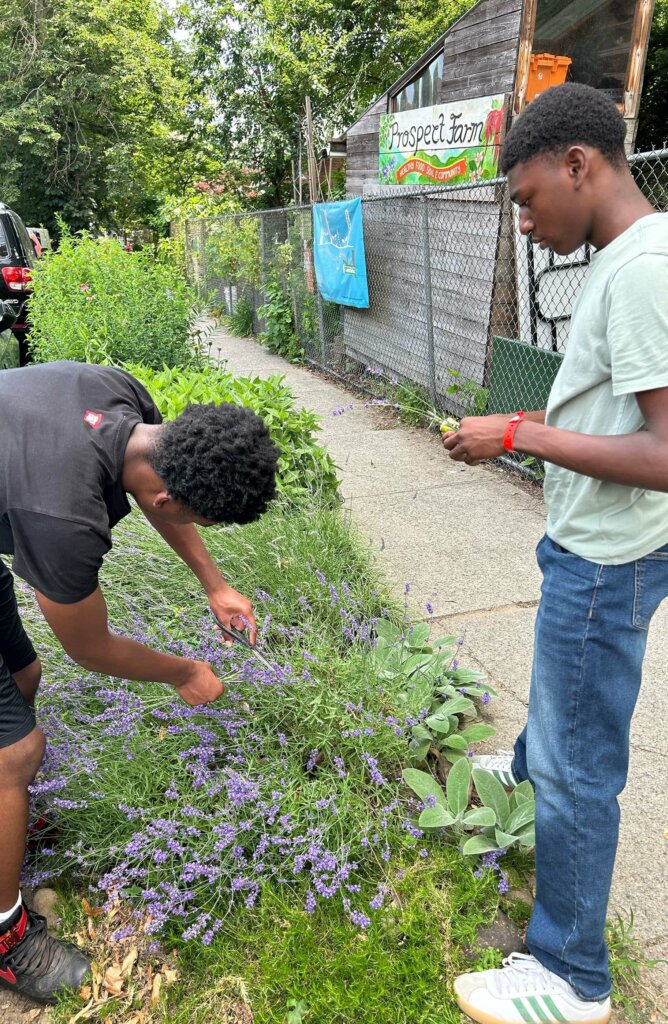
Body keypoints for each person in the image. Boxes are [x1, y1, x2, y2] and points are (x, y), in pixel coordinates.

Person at [0, 360, 279, 1003]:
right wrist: (185, 672)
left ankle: (3, 818)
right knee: (11, 751)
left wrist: (214, 582)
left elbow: (159, 489)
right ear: (171, 499)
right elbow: (90, 649)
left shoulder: (114, 392)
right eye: (196, 519)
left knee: (23, 675)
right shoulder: (64, 516)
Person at [444, 83, 668, 1024]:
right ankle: (529, 765)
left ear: (580, 164)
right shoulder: (630, 258)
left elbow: (664, 454)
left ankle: (572, 975)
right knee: (562, 707)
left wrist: (517, 436)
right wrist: (531, 426)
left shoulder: (644, 272)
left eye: (530, 198)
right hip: (597, 543)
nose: (526, 223)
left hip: (607, 560)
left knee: (583, 766)